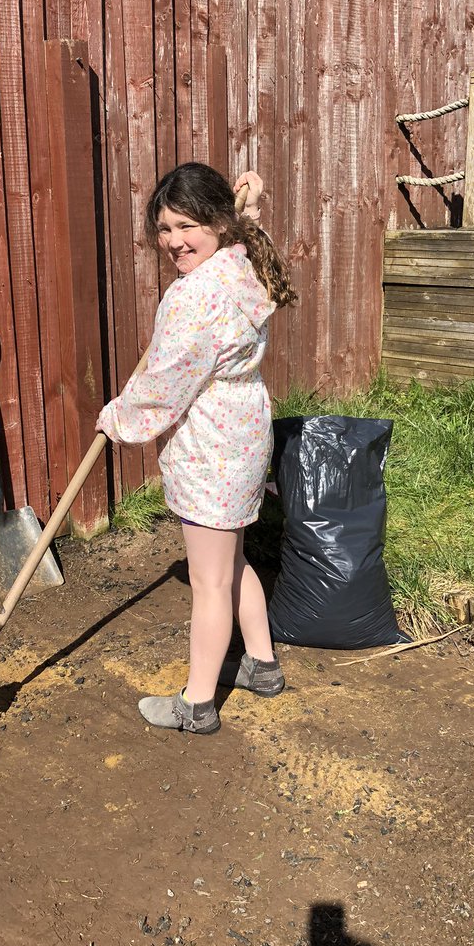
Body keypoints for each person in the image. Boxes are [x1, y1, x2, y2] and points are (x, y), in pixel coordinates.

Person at [96, 162, 298, 734]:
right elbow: (246, 231)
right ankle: (262, 666)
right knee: (232, 561)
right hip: (243, 431)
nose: (174, 241)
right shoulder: (242, 264)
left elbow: (165, 384)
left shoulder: (195, 296)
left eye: (187, 225)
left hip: (211, 442)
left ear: (218, 223)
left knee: (209, 582)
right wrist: (249, 208)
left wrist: (117, 420)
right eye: (164, 228)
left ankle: (197, 704)